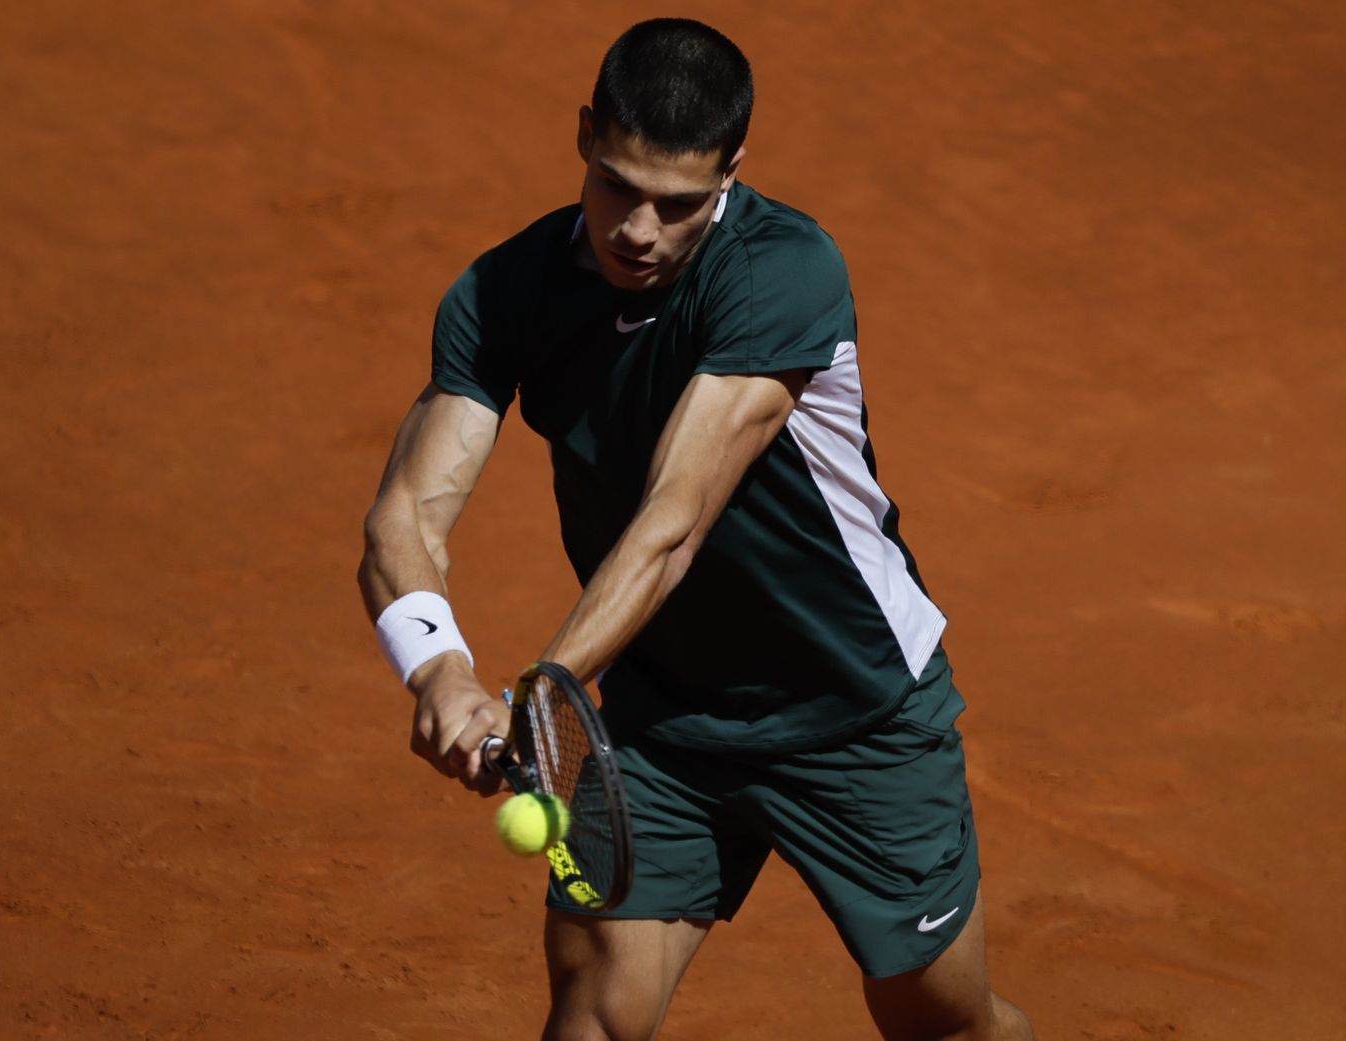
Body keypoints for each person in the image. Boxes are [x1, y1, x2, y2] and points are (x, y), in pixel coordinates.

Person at [357, 18, 1033, 1041]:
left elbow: (672, 525)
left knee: (940, 1021)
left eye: (679, 206)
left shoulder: (781, 273)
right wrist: (436, 666)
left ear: (731, 177)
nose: (639, 230)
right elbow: (405, 509)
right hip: (659, 720)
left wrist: (542, 698)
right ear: (584, 134)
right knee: (593, 1016)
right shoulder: (509, 290)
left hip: (850, 708)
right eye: (617, 186)